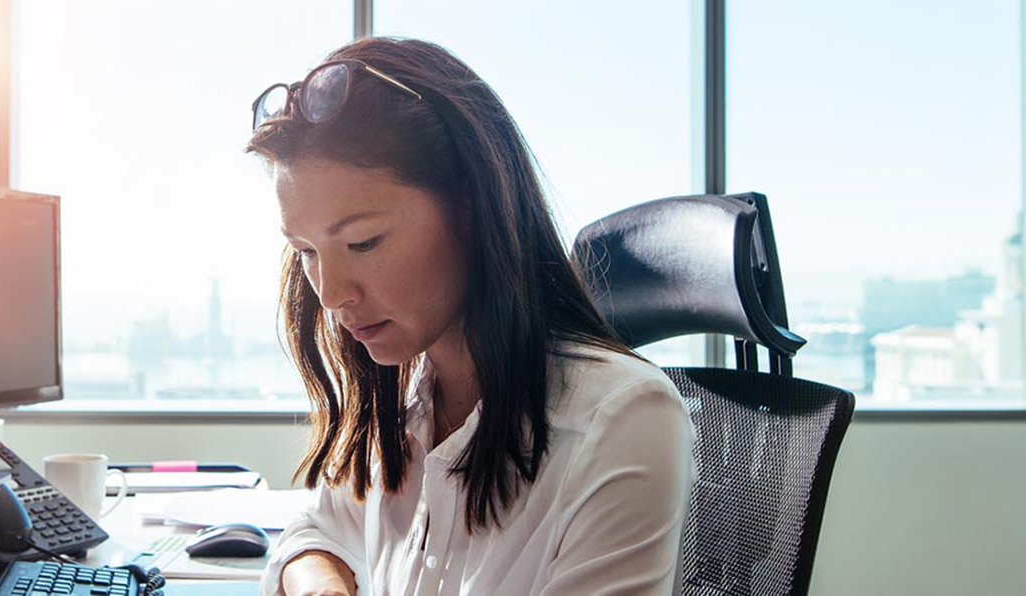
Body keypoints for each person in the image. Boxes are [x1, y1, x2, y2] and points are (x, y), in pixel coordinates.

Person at [247, 37, 695, 596]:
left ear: (473, 208)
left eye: (362, 243)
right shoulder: (407, 392)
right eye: (308, 252)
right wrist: (320, 585)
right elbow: (314, 531)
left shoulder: (621, 421)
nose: (331, 294)